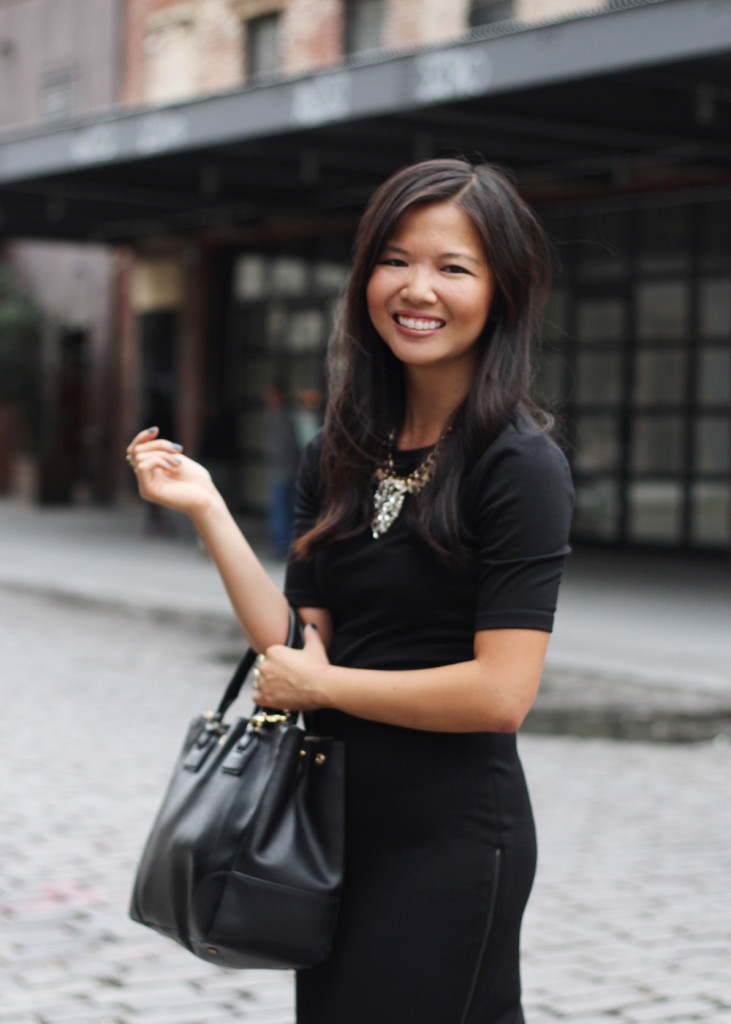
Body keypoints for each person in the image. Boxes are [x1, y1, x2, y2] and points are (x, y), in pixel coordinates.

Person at [125, 158, 573, 1024]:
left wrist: (322, 687)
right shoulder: (339, 450)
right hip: (325, 825)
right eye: (396, 259)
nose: (418, 288)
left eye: (454, 267)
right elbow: (298, 644)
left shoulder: (519, 467)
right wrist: (208, 510)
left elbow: (501, 693)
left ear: (502, 292)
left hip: (447, 837)